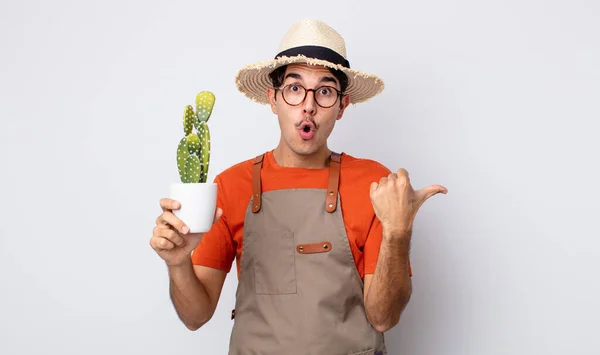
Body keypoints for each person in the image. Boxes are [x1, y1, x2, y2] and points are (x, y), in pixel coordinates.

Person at [150, 18, 447, 354]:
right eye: (294, 88)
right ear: (273, 99)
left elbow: (383, 317)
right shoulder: (231, 186)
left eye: (324, 91)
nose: (308, 105)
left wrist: (398, 233)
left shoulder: (374, 185)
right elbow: (195, 316)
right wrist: (177, 263)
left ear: (341, 106)